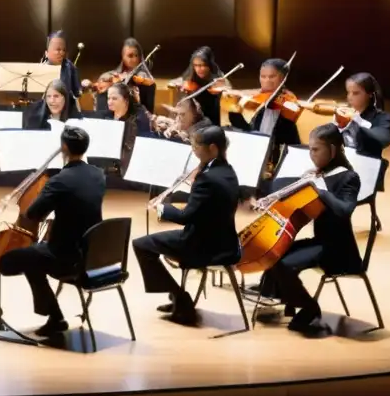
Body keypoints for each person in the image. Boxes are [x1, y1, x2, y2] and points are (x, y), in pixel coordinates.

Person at [0, 127, 105, 335]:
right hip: (92, 254)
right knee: (34, 256)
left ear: (64, 147)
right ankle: (54, 317)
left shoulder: (60, 181)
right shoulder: (98, 175)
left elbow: (33, 214)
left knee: (10, 259)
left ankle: (55, 317)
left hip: (66, 258)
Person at [256, 124, 361, 333]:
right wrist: (273, 202)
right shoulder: (316, 174)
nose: (311, 155)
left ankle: (310, 307)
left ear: (332, 150)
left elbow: (344, 211)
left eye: (316, 149)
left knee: (284, 266)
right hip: (320, 242)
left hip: (339, 251)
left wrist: (319, 189)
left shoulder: (348, 177)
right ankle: (284, 296)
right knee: (274, 254)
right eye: (310, 149)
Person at [134, 125, 240, 324]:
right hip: (224, 241)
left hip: (203, 246)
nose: (194, 150)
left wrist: (162, 207)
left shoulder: (207, 177)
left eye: (197, 146)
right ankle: (177, 297)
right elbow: (204, 208)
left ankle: (180, 298)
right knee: (150, 243)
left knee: (141, 245)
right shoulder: (226, 170)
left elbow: (186, 216)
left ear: (213, 148)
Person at [227, 58, 301, 167]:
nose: (266, 81)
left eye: (272, 77)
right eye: (263, 76)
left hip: (281, 161)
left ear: (283, 79)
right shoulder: (260, 104)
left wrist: (276, 102)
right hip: (258, 157)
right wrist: (234, 112)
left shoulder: (288, 100)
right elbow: (251, 134)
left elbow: (284, 136)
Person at [90, 37, 156, 114]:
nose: (134, 59)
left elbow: (148, 109)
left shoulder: (144, 78)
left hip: (135, 118)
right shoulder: (111, 76)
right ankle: (103, 118)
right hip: (112, 114)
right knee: (103, 79)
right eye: (130, 56)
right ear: (122, 56)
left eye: (137, 55)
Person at [104, 81, 154, 176]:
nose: (109, 102)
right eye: (108, 98)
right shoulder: (107, 115)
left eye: (114, 98)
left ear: (126, 100)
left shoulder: (139, 119)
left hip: (131, 166)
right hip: (112, 162)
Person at [169, 46, 228, 125]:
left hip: (211, 117)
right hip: (193, 116)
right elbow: (180, 80)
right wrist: (177, 83)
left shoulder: (216, 74)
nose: (198, 69)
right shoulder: (192, 72)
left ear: (209, 65)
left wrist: (223, 86)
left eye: (202, 65)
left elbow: (228, 88)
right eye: (196, 65)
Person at [40, 30, 82, 106]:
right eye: (58, 50)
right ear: (47, 52)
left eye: (64, 50)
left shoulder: (70, 66)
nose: (62, 53)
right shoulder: (40, 68)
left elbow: (77, 93)